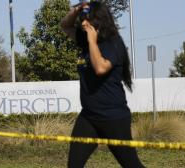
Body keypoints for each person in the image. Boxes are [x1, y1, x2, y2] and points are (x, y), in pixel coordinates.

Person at [60, 1, 145, 168]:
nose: (83, 23)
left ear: (99, 20)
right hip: (89, 117)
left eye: (88, 19)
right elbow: (64, 26)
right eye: (82, 19)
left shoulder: (114, 43)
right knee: (74, 165)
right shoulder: (85, 38)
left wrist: (92, 42)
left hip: (113, 118)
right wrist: (77, 11)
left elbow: (100, 68)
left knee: (132, 165)